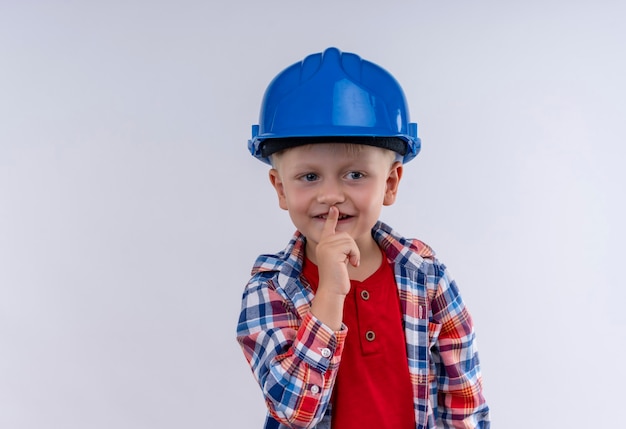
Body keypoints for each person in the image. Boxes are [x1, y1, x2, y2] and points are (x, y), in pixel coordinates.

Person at [236, 47, 490, 429]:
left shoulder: (426, 276)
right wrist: (329, 297)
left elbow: (463, 397)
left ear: (390, 183)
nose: (332, 195)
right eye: (309, 177)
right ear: (281, 188)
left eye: (355, 175)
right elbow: (293, 412)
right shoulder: (272, 289)